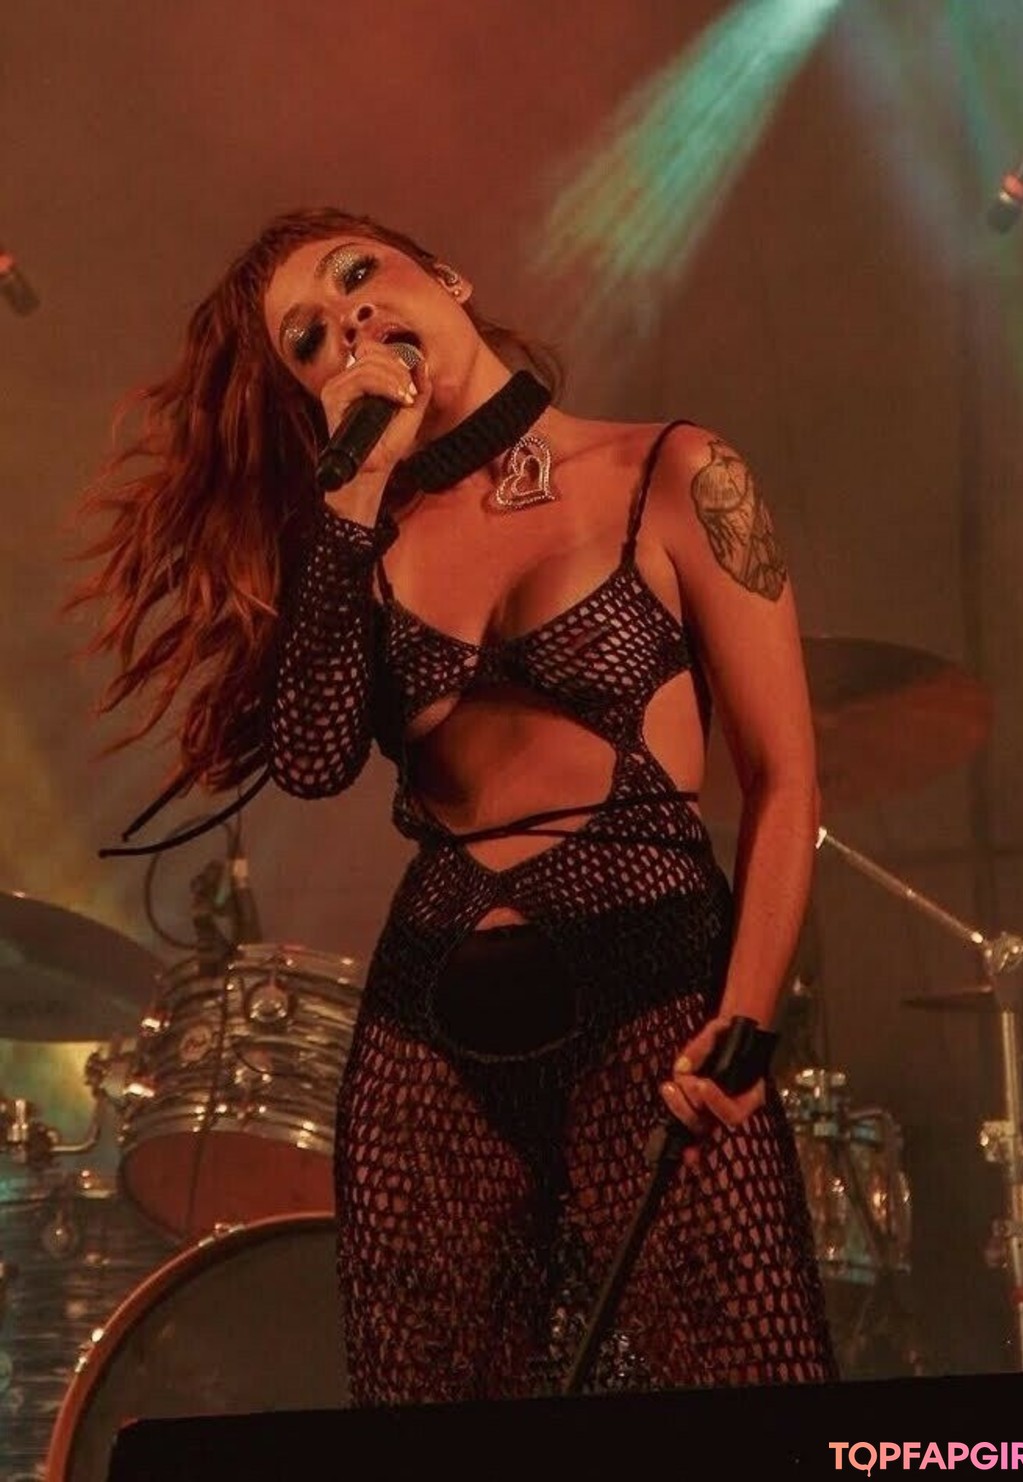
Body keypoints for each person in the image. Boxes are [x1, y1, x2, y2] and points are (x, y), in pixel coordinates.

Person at [69, 206, 837, 1402]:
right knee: (433, 1435)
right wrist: (352, 497)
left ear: (449, 278)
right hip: (428, 1034)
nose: (350, 320)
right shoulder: (357, 543)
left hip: (653, 992)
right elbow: (314, 761)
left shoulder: (674, 470)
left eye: (358, 275)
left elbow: (787, 778)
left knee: (748, 1405)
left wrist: (747, 1016)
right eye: (308, 339)